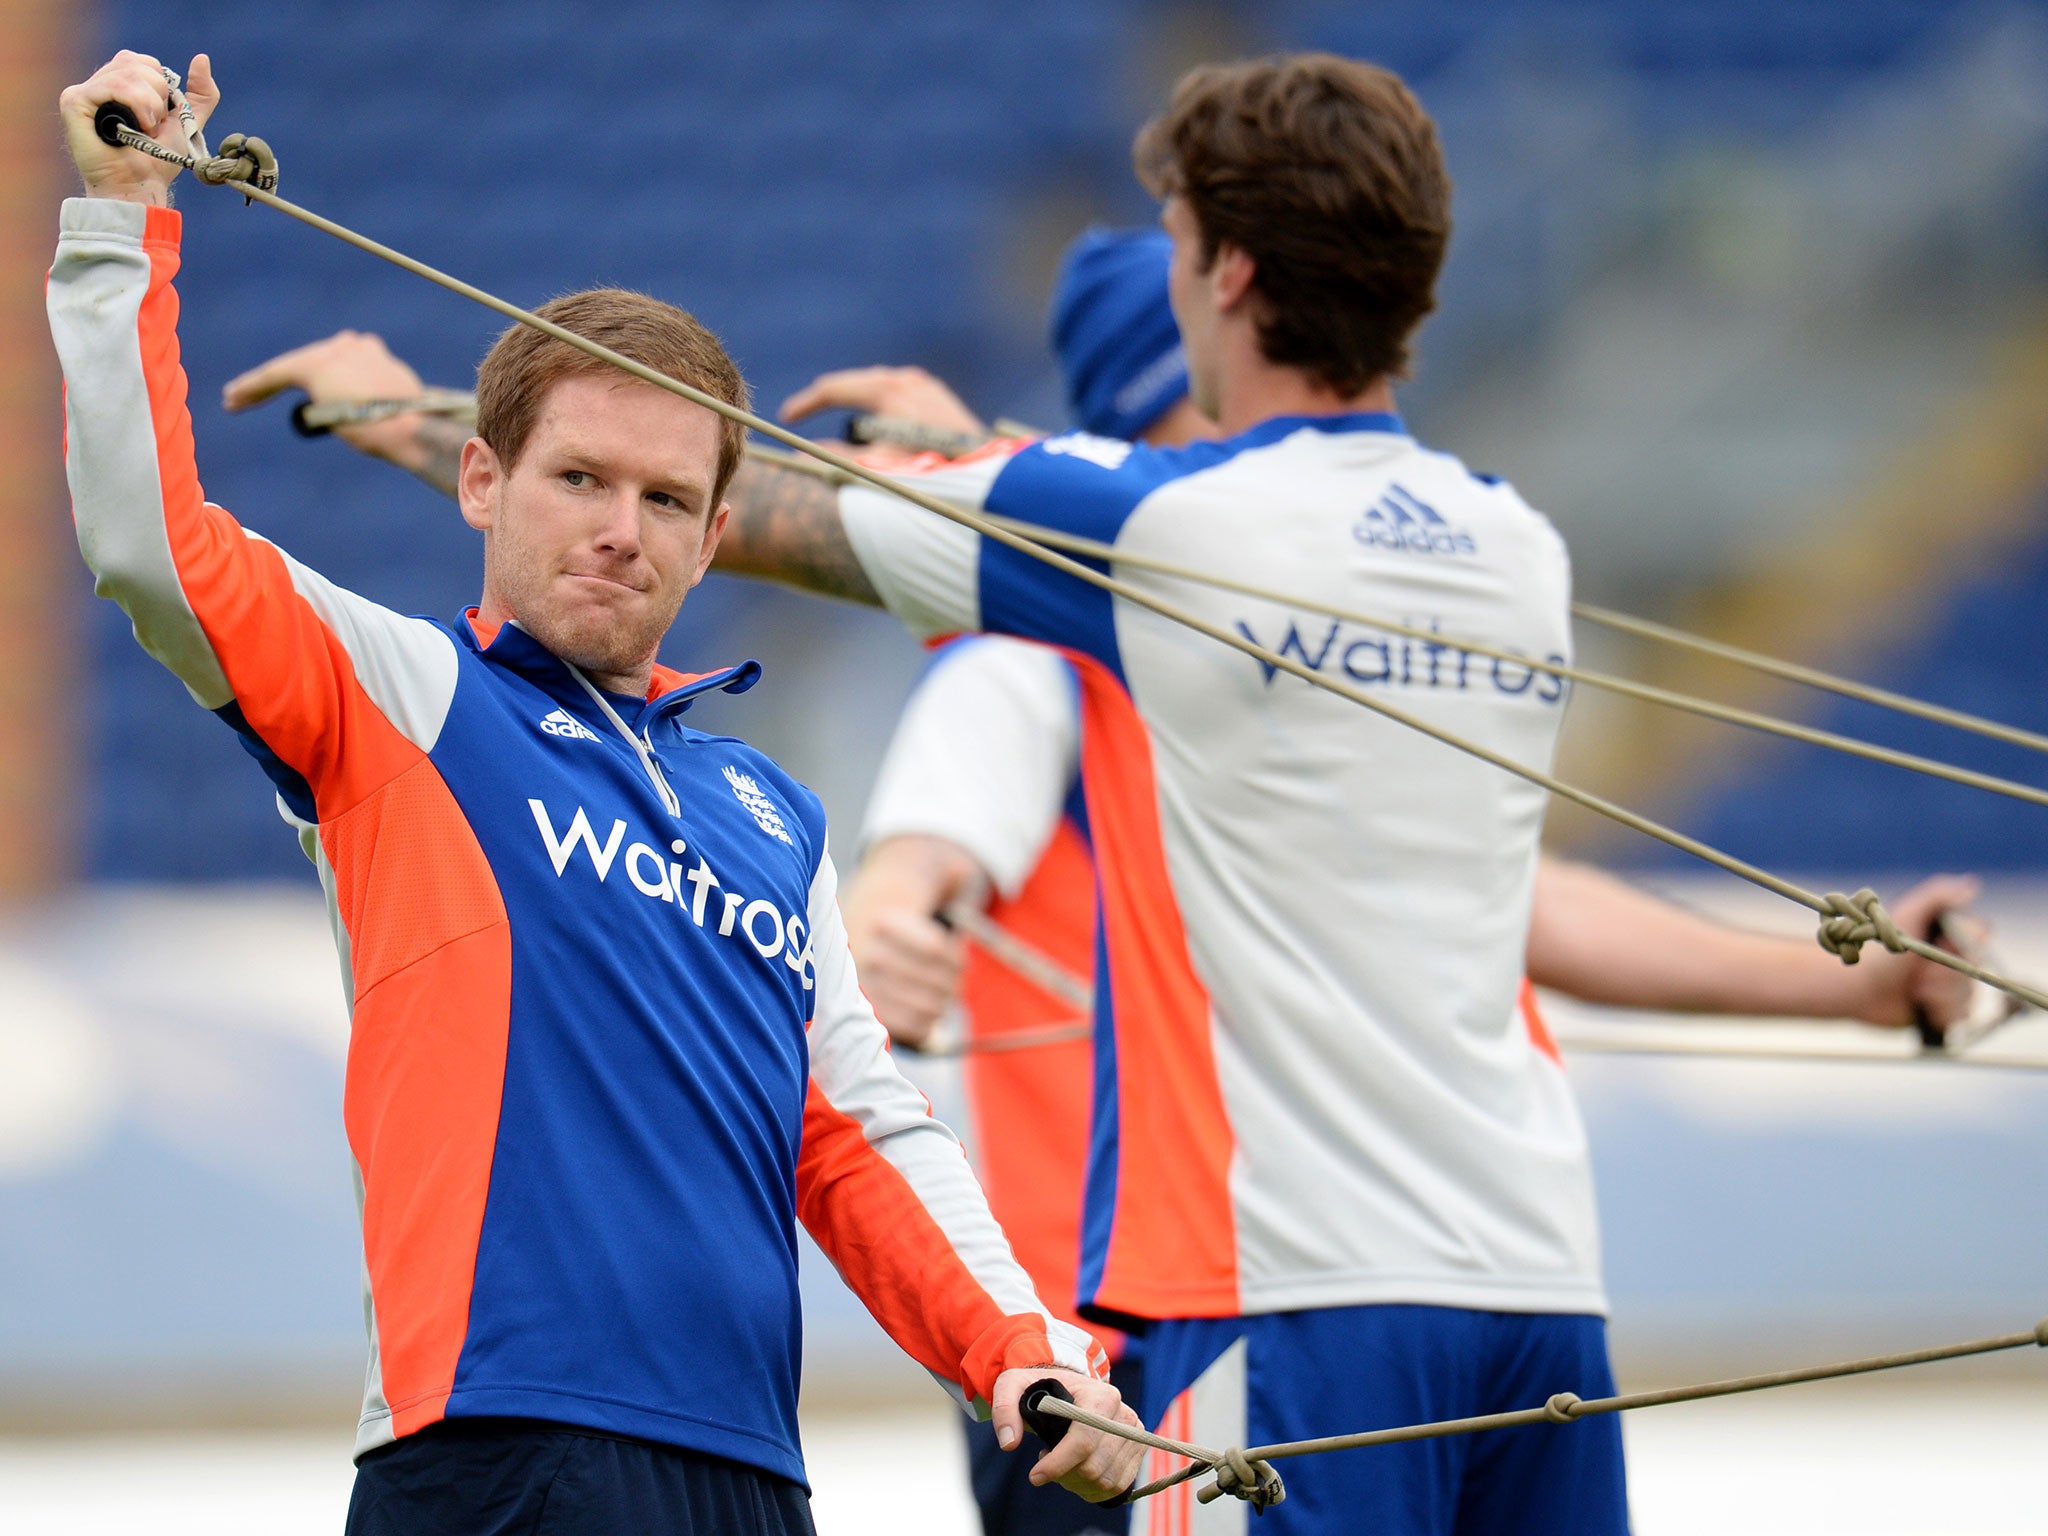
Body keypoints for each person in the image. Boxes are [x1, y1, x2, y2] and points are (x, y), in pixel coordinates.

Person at [705, 55, 1980, 1535]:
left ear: (1230, 274)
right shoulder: (1514, 550)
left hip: (1278, 1293)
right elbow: (1504, 902)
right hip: (1532, 1287)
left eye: (1182, 242)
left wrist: (454, 439)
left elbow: (748, 522)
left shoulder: (1154, 536)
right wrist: (1848, 988)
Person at [49, 48, 1141, 1536]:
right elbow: (145, 548)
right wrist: (124, 220)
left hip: (752, 1476)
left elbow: (860, 1132)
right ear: (481, 482)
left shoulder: (774, 816)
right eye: (580, 480)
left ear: (711, 541)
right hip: (495, 1450)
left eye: (668, 501)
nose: (623, 531)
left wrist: (1021, 1351)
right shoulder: (408, 698)